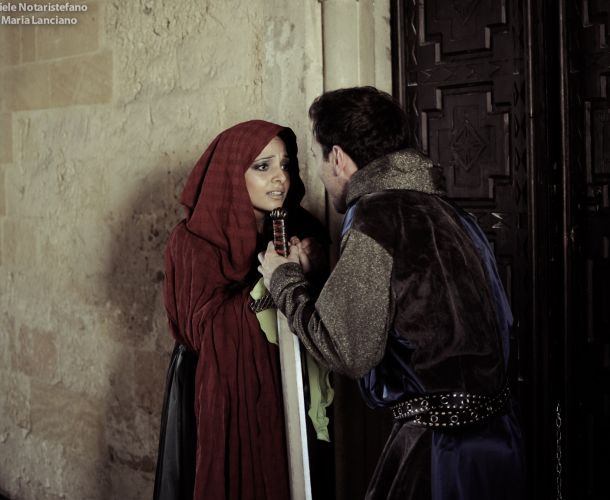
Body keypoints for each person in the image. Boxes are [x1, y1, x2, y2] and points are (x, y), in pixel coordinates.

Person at [259, 87, 526, 500]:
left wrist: (285, 279)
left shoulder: (373, 215)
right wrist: (326, 274)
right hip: (499, 443)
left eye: (315, 157)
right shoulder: (450, 212)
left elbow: (347, 350)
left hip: (440, 455)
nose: (318, 174)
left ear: (338, 157)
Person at [155, 120, 331, 500]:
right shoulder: (193, 241)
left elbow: (328, 320)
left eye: (285, 165)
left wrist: (313, 269)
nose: (280, 178)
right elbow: (204, 329)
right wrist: (276, 280)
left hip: (288, 384)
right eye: (263, 166)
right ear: (232, 174)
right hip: (219, 393)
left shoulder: (302, 229)